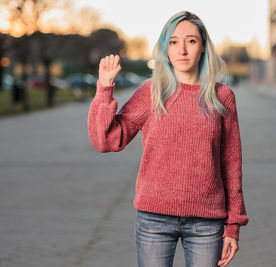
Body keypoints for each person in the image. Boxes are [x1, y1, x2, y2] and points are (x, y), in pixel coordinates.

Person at [88, 11, 248, 267]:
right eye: (173, 42)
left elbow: (232, 164)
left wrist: (233, 225)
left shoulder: (222, 96)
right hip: (154, 220)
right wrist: (105, 89)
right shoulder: (151, 92)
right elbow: (106, 141)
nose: (182, 50)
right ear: (165, 47)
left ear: (203, 46)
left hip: (207, 222)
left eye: (191, 41)